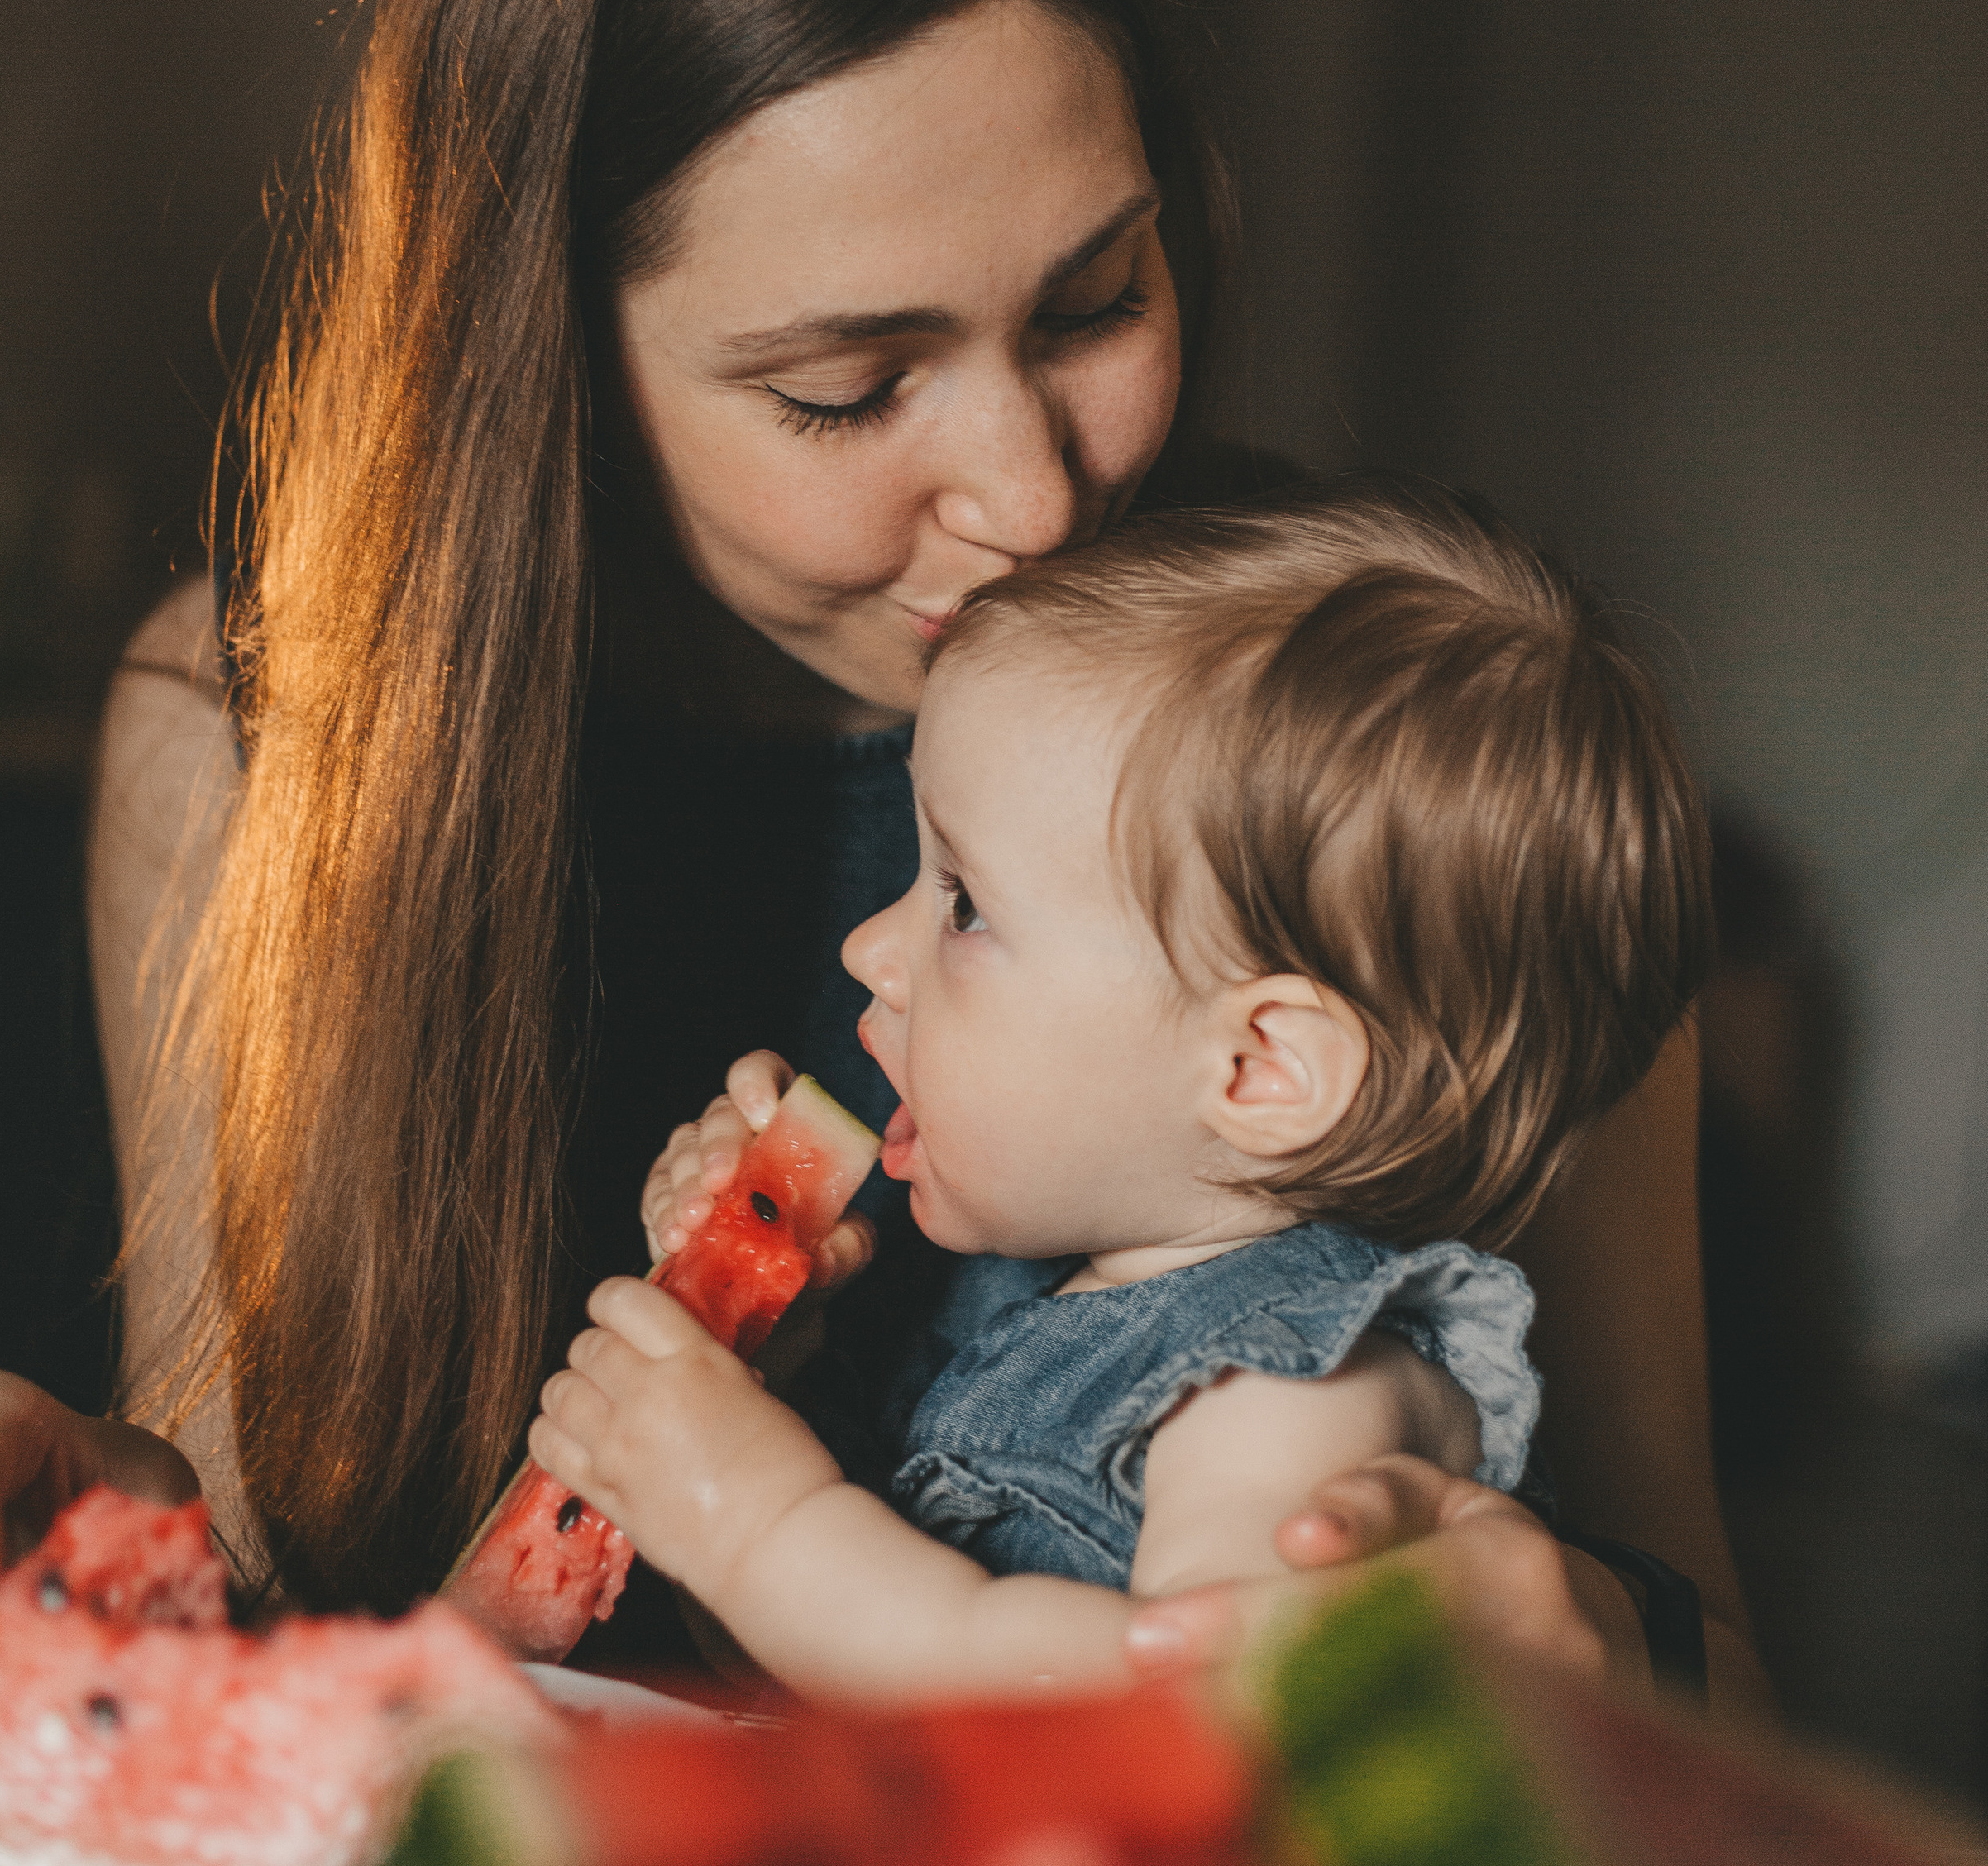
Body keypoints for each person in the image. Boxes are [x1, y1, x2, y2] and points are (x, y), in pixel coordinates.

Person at [0, 0, 1758, 1708]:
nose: (1034, 498)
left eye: (1096, 298)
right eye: (850, 391)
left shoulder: (1409, 773)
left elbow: (1696, 1639)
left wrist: (1594, 1651)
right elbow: (256, 1573)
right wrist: (83, 1519)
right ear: (554, 378)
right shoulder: (260, 728)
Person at [528, 481, 1712, 1700]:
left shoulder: (1289, 1397)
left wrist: (756, 1520)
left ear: (1260, 1070)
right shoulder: (1078, 1316)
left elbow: (1172, 1722)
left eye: (965, 905)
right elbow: (842, 1687)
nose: (872, 952)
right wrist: (756, 1374)